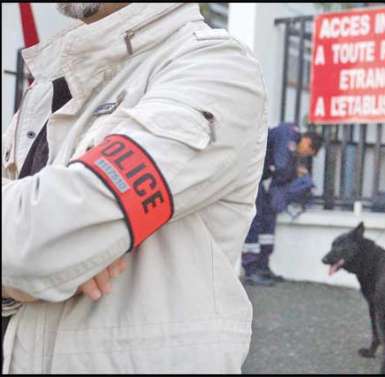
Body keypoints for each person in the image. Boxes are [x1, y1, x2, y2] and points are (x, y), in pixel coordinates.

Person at [1, 3, 267, 373]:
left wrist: (40, 252)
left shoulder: (213, 67)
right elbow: (29, 244)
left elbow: (36, 243)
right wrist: (18, 282)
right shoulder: (48, 86)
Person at [241, 123, 323, 286]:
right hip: (249, 174)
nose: (304, 155)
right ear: (307, 142)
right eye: (309, 153)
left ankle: (262, 267)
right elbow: (281, 166)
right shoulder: (289, 135)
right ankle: (250, 269)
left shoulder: (292, 142)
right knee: (256, 220)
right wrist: (296, 173)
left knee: (267, 219)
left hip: (258, 177)